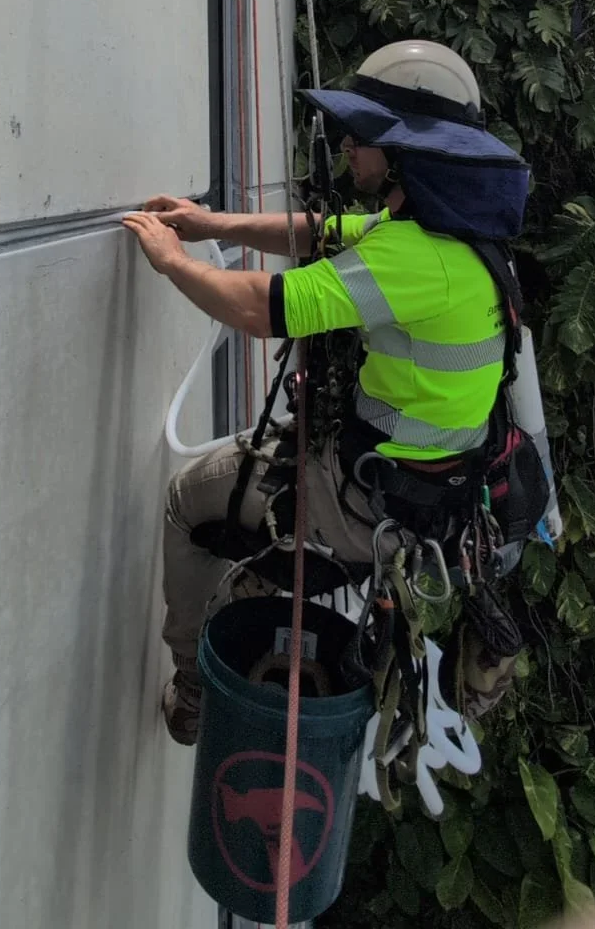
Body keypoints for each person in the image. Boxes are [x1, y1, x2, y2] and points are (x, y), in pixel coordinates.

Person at [124, 39, 533, 745]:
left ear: (406, 152)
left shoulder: (417, 258)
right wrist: (209, 223)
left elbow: (261, 307)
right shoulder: (455, 240)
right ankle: (258, 582)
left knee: (186, 501)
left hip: (366, 497)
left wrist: (168, 260)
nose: (348, 144)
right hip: (417, 494)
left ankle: (192, 690)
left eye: (364, 133)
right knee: (238, 498)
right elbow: (319, 233)